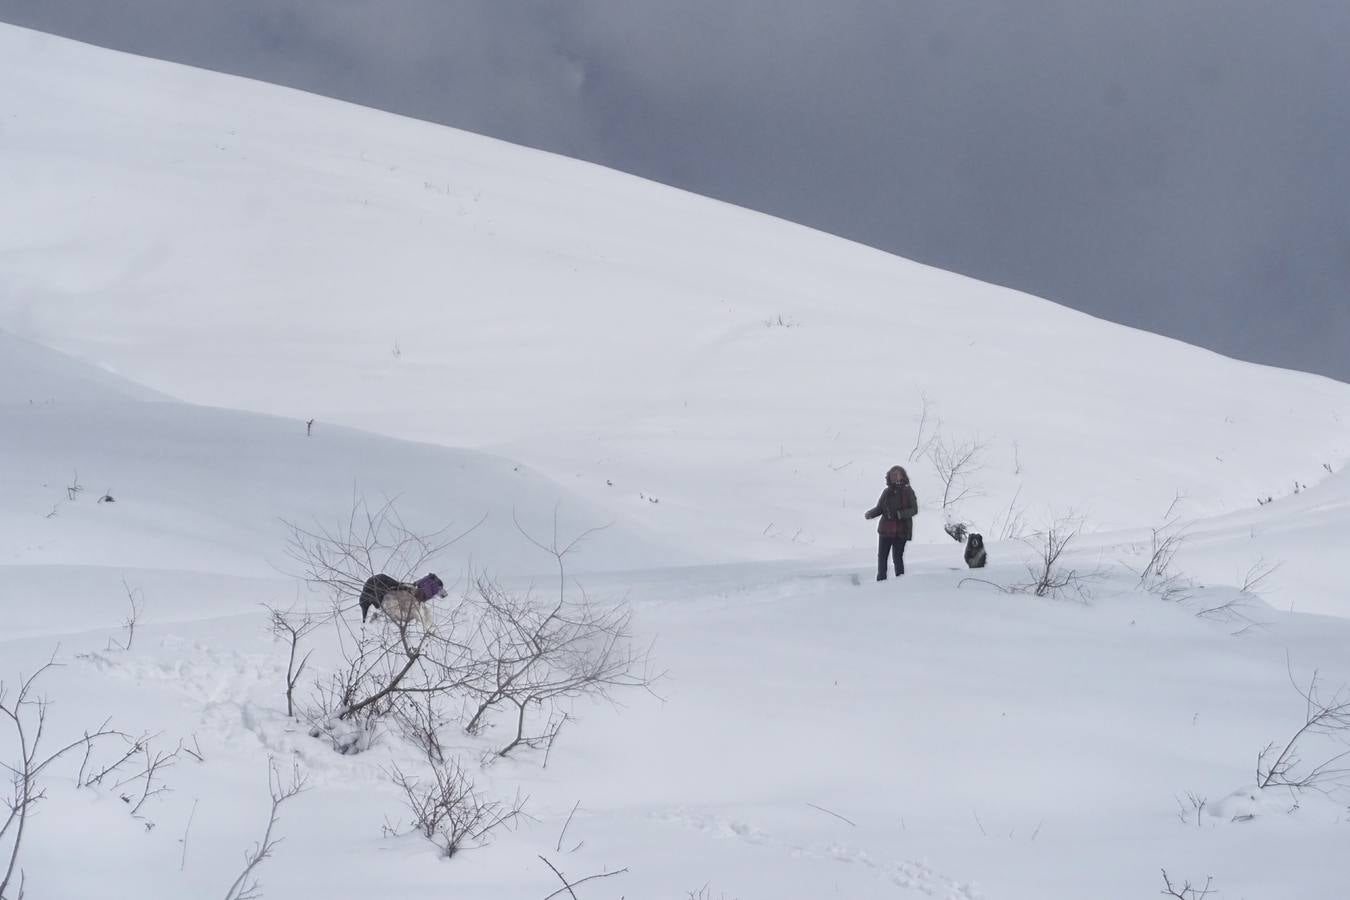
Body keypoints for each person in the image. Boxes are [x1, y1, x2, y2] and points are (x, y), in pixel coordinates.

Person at [864, 465, 918, 580]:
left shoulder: (908, 491)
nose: (894, 477)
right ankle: (881, 580)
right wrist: (870, 514)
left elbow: (914, 509)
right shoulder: (886, 492)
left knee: (897, 557)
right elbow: (880, 508)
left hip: (901, 530)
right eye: (892, 475)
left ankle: (900, 581)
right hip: (885, 530)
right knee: (882, 557)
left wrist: (900, 514)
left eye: (897, 474)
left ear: (902, 476)